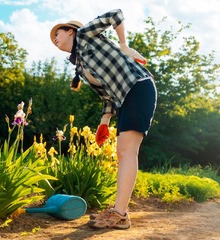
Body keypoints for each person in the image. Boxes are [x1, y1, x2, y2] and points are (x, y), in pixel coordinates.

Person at [50, 9, 157, 229]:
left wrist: (124, 45)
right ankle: (120, 212)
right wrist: (104, 123)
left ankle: (120, 214)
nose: (54, 39)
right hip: (124, 98)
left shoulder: (86, 35)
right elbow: (107, 95)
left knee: (127, 151)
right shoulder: (80, 65)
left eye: (57, 33)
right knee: (122, 152)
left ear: (71, 31)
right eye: (53, 39)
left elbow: (115, 15)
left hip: (138, 86)